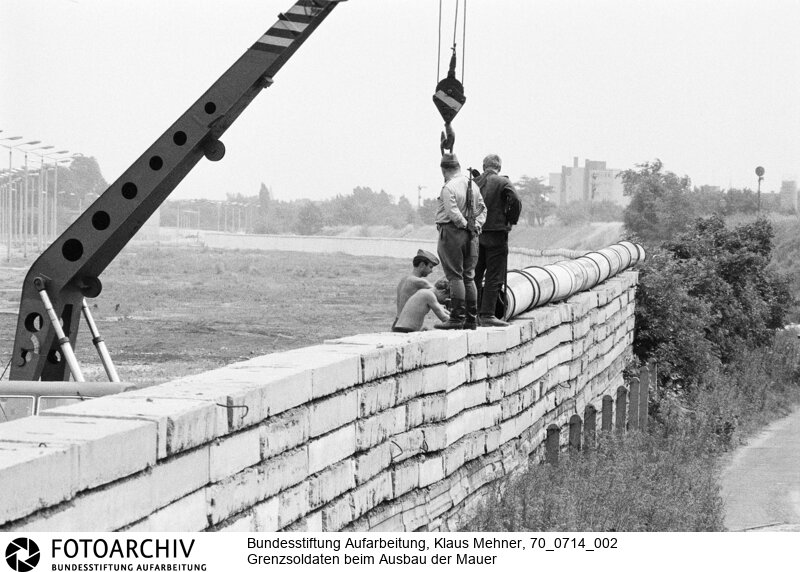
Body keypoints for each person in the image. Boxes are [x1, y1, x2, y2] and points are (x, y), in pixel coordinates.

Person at [434, 153, 486, 330]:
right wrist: (475, 226)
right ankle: (471, 319)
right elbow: (482, 209)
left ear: (444, 170)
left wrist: (464, 225)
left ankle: (457, 318)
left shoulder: (449, 187)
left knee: (455, 275)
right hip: (472, 236)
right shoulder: (473, 185)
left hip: (452, 233)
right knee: (469, 276)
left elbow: (452, 211)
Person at [474, 154, 516, 327]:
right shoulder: (502, 182)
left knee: (474, 274)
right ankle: (487, 314)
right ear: (499, 167)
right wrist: (509, 220)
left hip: (477, 233)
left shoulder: (475, 182)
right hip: (497, 233)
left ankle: (472, 313)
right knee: (493, 275)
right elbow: (515, 200)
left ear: (484, 166)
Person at [393, 249, 440, 329]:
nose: (431, 271)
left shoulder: (404, 279)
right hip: (406, 324)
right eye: (430, 267)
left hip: (396, 322)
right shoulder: (419, 282)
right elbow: (440, 292)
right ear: (422, 265)